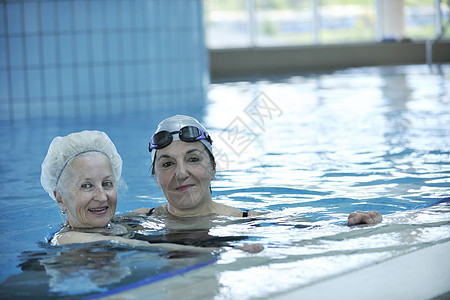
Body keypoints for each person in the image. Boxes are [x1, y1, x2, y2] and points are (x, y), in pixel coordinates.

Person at [133, 115, 382, 226]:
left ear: (213, 169)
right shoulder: (137, 221)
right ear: (156, 178)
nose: (180, 173)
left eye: (193, 159)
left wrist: (355, 224)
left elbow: (321, 231)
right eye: (167, 163)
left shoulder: (249, 221)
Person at [40, 130, 218, 252]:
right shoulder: (66, 239)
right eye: (87, 186)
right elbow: (141, 246)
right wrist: (223, 248)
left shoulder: (121, 225)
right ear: (60, 198)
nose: (102, 197)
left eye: (107, 183)